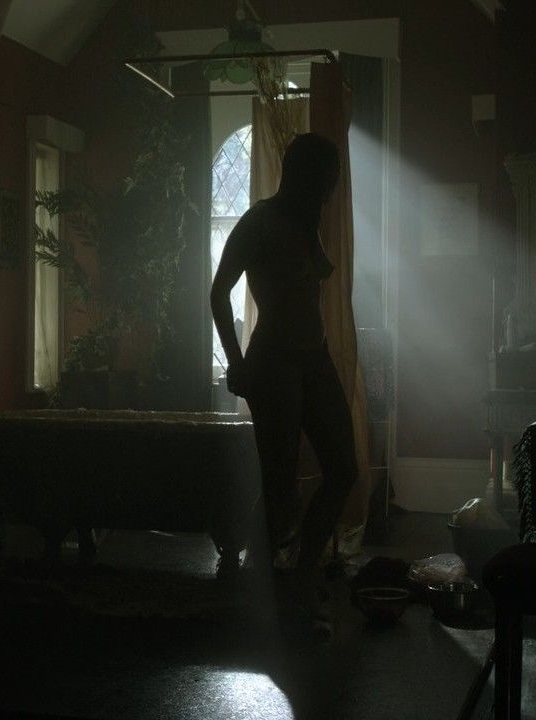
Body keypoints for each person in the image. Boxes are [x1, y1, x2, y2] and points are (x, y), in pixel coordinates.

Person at [210, 132, 358, 625]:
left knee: (343, 468)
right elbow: (219, 291)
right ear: (302, 178)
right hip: (273, 362)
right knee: (279, 483)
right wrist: (236, 362)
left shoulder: (305, 220)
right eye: (324, 185)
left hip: (314, 359)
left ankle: (300, 573)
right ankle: (263, 582)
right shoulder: (259, 221)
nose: (328, 196)